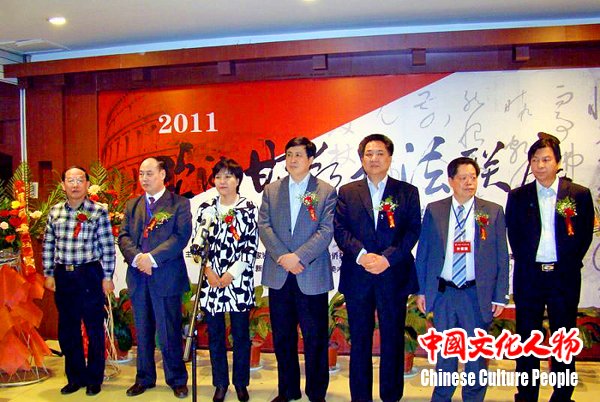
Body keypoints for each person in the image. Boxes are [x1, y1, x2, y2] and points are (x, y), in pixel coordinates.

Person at [506, 133, 594, 402]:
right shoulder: (519, 196)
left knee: (563, 337)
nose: (540, 165)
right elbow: (514, 234)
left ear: (558, 162)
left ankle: (563, 395)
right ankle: (527, 394)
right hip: (529, 277)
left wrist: (567, 262)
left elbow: (584, 235)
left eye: (546, 159)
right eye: (535, 160)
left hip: (563, 277)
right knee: (527, 337)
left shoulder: (578, 194)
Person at [334, 133, 421, 402]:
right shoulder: (348, 192)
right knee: (359, 340)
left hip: (392, 275)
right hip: (358, 276)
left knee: (392, 339)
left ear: (390, 157)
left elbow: (412, 231)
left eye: (380, 153)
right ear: (362, 158)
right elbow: (340, 229)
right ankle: (360, 397)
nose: (374, 158)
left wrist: (387, 259)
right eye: (368, 154)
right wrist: (361, 255)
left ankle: (391, 395)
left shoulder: (407, 192)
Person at [415, 157, 509, 402]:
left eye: (473, 177)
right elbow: (423, 252)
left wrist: (500, 295)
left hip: (476, 293)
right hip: (444, 293)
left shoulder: (492, 211)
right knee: (445, 352)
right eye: (463, 178)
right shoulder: (435, 210)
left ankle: (473, 397)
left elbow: (501, 255)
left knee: (476, 354)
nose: (469, 183)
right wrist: (422, 290)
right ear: (451, 181)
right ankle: (442, 396)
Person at [258, 136, 337, 402]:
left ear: (311, 160)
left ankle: (316, 392)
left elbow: (326, 230)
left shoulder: (325, 191)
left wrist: (299, 257)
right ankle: (287, 391)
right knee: (283, 337)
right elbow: (264, 226)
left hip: (310, 273)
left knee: (315, 338)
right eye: (289, 154)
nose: (292, 160)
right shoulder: (272, 190)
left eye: (299, 155)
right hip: (279, 273)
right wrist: (283, 256)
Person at [118, 157, 192, 399]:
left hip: (166, 276)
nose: (144, 178)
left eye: (149, 173)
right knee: (143, 330)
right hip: (139, 277)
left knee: (169, 331)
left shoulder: (179, 204)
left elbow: (181, 237)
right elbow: (123, 236)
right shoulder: (133, 205)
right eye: (141, 174)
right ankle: (144, 378)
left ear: (162, 175)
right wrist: (138, 258)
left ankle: (177, 379)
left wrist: (151, 258)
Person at [42, 166, 116, 396]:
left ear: (87, 185)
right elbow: (48, 244)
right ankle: (74, 377)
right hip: (63, 275)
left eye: (80, 180)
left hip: (89, 273)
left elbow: (107, 246)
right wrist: (49, 273)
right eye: (70, 180)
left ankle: (94, 378)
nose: (75, 185)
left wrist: (108, 277)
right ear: (63, 185)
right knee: (68, 328)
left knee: (94, 327)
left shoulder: (98, 211)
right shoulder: (55, 211)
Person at [192, 158, 258, 402]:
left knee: (240, 336)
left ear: (238, 180)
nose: (223, 181)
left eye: (228, 176)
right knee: (216, 336)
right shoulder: (205, 209)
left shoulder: (248, 208)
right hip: (211, 282)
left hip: (238, 281)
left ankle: (241, 383)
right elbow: (197, 245)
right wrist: (209, 270)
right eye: (218, 177)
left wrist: (231, 274)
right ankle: (220, 383)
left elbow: (250, 246)